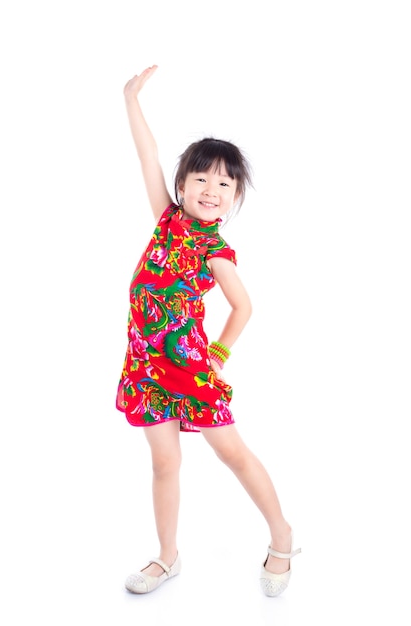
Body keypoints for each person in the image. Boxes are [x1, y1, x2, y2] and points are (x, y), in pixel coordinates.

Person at [116, 64, 300, 597]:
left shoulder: (213, 249)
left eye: (225, 181)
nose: (211, 188)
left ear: (235, 195)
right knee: (164, 462)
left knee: (232, 452)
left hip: (190, 369)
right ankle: (167, 557)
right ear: (182, 186)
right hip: (145, 368)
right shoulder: (167, 220)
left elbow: (244, 307)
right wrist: (131, 97)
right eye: (201, 178)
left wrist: (215, 356)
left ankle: (282, 536)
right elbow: (147, 155)